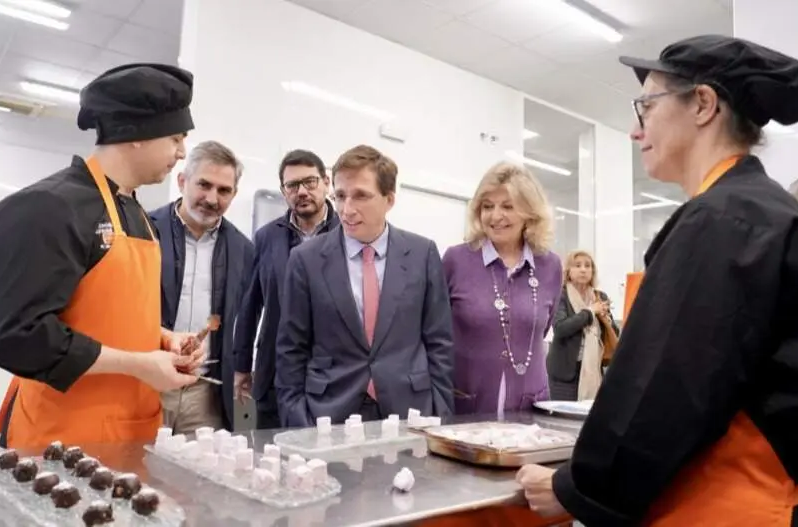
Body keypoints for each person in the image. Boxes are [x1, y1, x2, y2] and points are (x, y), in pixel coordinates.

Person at [516, 35, 798, 527]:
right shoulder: (751, 210)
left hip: (731, 506)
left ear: (703, 104)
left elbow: (664, 389)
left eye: (646, 108)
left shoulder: (725, 218)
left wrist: (573, 488)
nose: (635, 131)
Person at [0, 63, 204, 449]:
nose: (182, 152)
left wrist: (162, 339)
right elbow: (15, 336)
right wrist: (138, 364)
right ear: (137, 134)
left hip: (127, 430)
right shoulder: (49, 207)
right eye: (175, 137)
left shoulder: (134, 210)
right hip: (60, 441)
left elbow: (98, 313)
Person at [275, 144, 453, 426]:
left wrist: (440, 411)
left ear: (389, 199)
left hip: (410, 411)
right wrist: (297, 418)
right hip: (328, 412)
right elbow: (291, 348)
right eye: (341, 195)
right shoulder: (306, 259)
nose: (347, 209)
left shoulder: (422, 253)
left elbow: (439, 341)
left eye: (361, 196)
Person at [441, 162, 562, 416]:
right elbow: (436, 335)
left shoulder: (550, 265)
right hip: (466, 407)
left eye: (508, 206)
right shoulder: (456, 260)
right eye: (487, 206)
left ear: (529, 212)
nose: (495, 216)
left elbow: (543, 327)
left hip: (531, 409)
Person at [150, 140, 254, 433]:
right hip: (148, 384)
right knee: (136, 473)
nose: (211, 198)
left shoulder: (243, 250)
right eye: (204, 185)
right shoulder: (145, 229)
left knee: (197, 477)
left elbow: (242, 321)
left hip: (205, 395)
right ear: (183, 181)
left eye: (224, 190)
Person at [233, 149, 339, 430]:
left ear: (326, 182)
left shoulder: (348, 234)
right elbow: (249, 304)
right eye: (292, 185)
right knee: (270, 456)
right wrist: (242, 365)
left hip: (331, 374)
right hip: (274, 371)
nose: (301, 191)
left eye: (310, 182)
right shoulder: (267, 236)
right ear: (283, 190)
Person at [547, 250, 620, 401]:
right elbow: (560, 328)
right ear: (568, 271)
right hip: (565, 374)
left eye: (588, 266)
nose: (583, 269)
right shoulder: (561, 295)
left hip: (593, 370)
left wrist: (607, 320)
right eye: (577, 265)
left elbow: (614, 333)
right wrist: (590, 312)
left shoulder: (600, 296)